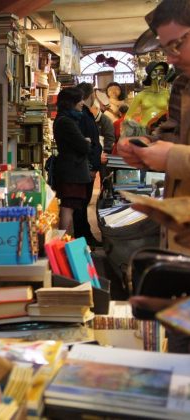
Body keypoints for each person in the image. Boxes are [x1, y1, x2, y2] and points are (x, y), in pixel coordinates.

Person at [116, 0, 190, 352]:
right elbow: (173, 136)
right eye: (165, 48)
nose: (171, 57)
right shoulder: (183, 85)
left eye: (177, 44)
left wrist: (171, 156)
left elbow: (176, 152)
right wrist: (146, 150)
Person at [52, 87, 92, 235]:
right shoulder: (66, 121)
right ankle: (64, 242)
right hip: (72, 171)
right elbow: (84, 146)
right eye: (79, 100)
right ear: (71, 102)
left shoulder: (66, 119)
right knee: (68, 207)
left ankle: (66, 241)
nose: (82, 102)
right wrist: (86, 142)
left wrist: (85, 141)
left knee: (70, 206)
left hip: (71, 170)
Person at [74, 82, 102, 246]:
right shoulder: (82, 115)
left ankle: (85, 234)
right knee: (82, 203)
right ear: (90, 95)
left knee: (83, 202)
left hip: (88, 165)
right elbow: (88, 142)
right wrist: (92, 165)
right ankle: (83, 236)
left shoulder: (84, 114)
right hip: (86, 166)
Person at [124, 61, 170, 132]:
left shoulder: (167, 93)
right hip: (144, 130)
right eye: (156, 71)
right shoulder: (141, 95)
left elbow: (175, 114)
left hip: (162, 131)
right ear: (150, 74)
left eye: (162, 71)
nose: (160, 74)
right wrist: (134, 127)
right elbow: (128, 116)